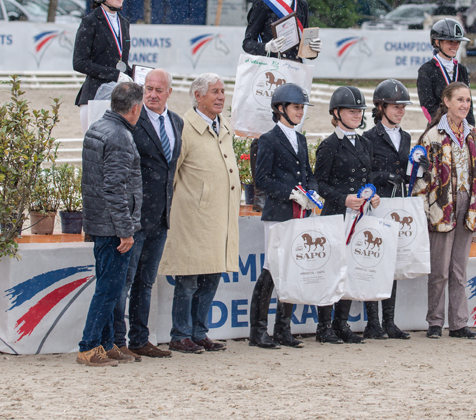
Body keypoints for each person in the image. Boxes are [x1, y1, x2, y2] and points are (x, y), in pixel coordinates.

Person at [158, 73, 240, 354]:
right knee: (189, 279)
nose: (220, 97)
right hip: (192, 218)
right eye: (214, 92)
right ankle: (180, 334)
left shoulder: (224, 125)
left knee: (211, 277)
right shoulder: (183, 127)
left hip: (221, 217)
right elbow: (170, 172)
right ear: (198, 96)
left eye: (222, 91)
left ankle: (199, 332)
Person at [242, 0, 321, 213]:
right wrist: (267, 46)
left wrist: (312, 48)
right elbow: (248, 43)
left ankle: (292, 186)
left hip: (295, 72)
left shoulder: (303, 6)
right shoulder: (263, 4)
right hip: (271, 71)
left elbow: (303, 47)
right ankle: (261, 191)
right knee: (264, 130)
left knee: (292, 129)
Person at [413, 82, 476, 340]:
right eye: (459, 99)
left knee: (459, 269)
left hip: (468, 206)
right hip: (441, 207)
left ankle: (459, 323)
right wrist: (423, 211)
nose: (464, 105)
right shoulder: (432, 136)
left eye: (467, 100)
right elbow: (421, 178)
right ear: (446, 101)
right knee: (439, 269)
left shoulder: (474, 135)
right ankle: (435, 322)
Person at [112, 69, 182, 361]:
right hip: (134, 215)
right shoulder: (131, 120)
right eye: (148, 88)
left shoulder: (177, 122)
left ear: (168, 92)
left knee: (146, 282)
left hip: (160, 216)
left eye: (158, 89)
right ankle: (117, 341)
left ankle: (140, 339)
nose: (152, 94)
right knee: (123, 283)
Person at [76, 82, 144, 367]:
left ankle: (105, 343)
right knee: (109, 289)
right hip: (113, 226)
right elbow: (115, 187)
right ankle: (89, 345)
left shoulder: (98, 128)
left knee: (107, 285)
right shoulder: (120, 136)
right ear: (135, 108)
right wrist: (125, 229)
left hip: (98, 221)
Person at [250, 83, 317, 349]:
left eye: (302, 108)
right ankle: (257, 330)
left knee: (291, 270)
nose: (300, 112)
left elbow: (308, 174)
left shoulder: (299, 138)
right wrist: (290, 192)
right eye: (296, 107)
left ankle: (283, 329)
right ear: (280, 109)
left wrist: (312, 193)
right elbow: (262, 179)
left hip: (298, 212)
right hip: (278, 213)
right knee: (272, 270)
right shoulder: (268, 139)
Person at [313, 86, 380, 344]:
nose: (357, 115)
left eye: (359, 111)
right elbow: (319, 183)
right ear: (337, 113)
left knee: (351, 269)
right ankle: (324, 326)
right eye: (351, 111)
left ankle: (342, 323)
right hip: (337, 215)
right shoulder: (329, 146)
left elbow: (369, 177)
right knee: (332, 270)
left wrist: (372, 194)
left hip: (359, 216)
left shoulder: (365, 143)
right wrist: (343, 199)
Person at [360, 79, 412, 340]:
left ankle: (390, 321)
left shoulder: (406, 137)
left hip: (397, 205)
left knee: (391, 262)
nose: (400, 111)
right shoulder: (369, 137)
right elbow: (365, 172)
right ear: (380, 107)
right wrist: (385, 176)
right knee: (374, 261)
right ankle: (373, 322)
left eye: (403, 107)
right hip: (376, 203)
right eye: (395, 106)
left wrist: (417, 168)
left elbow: (407, 171)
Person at [73, 0, 134, 134]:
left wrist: (138, 75)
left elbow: (121, 62)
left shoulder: (124, 23)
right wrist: (115, 75)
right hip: (95, 96)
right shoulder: (90, 22)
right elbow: (79, 63)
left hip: (119, 97)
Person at [417, 18, 475, 125]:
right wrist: (444, 126)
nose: (455, 46)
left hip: (462, 127)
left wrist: (470, 127)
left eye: (457, 42)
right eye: (450, 42)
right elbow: (427, 104)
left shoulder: (461, 70)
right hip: (438, 127)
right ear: (437, 42)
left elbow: (468, 104)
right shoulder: (426, 70)